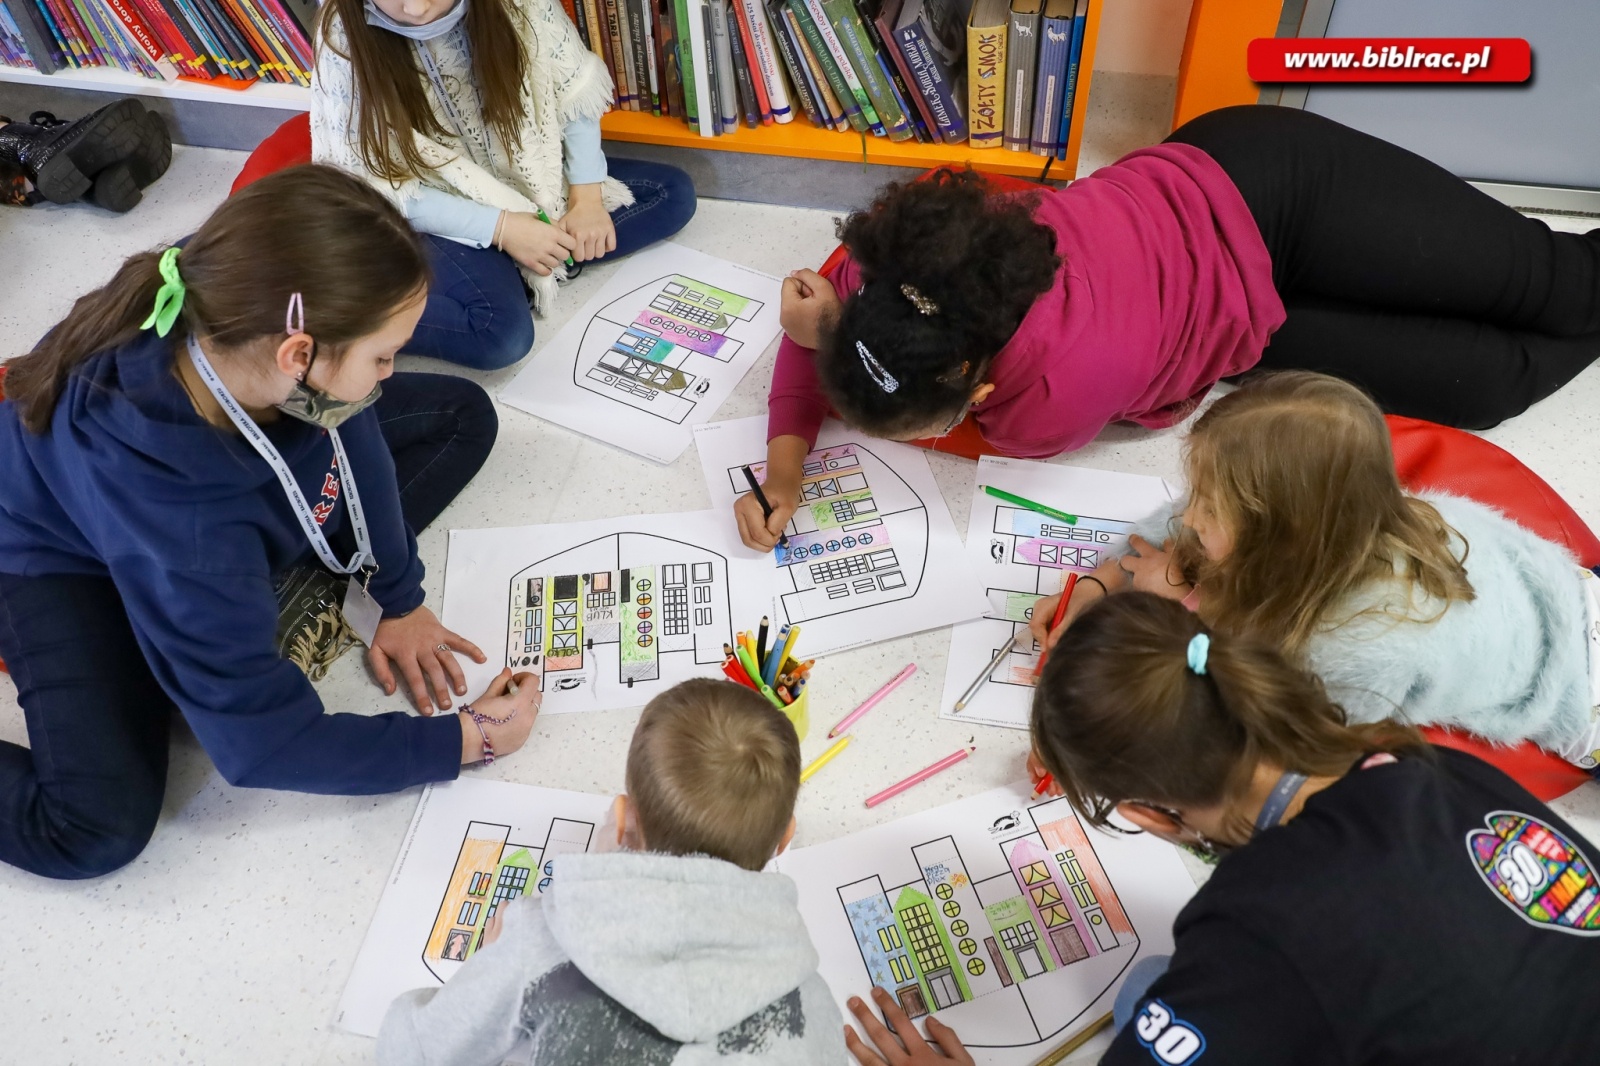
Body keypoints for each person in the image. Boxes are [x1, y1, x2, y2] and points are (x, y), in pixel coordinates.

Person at [0, 165, 538, 881]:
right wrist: (463, 740)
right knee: (95, 830)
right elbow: (263, 748)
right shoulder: (192, 538)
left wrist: (400, 597)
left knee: (461, 416)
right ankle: (218, 631)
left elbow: (356, 430)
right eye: (383, 355)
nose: (391, 370)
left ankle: (246, 619)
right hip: (49, 549)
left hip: (222, 478)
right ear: (299, 355)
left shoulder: (247, 290)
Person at [737, 104, 1600, 550]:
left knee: (1560, 285)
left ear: (982, 389)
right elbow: (831, 332)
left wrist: (829, 374)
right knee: (1493, 388)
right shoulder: (907, 251)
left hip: (1264, 185)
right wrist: (788, 461)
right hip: (1254, 317)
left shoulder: (1046, 405)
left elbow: (1160, 410)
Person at [846, 594, 1600, 1066]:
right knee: (1149, 989)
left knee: (1150, 1001)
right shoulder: (1422, 762)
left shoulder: (1258, 923)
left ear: (1144, 811)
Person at [1025, 372, 1600, 767]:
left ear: (1281, 535)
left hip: (1582, 698)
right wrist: (1100, 585)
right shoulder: (1341, 513)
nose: (1190, 513)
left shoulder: (1357, 649)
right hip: (1572, 591)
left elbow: (1268, 731)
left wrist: (1174, 613)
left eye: (1212, 506)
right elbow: (1191, 521)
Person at [377, 678, 846, 1065]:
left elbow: (408, 1051)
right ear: (785, 838)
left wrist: (492, 964)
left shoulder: (536, 943)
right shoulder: (814, 1004)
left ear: (621, 820)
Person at [311, 0, 698, 370]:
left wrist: (587, 199)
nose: (413, 9)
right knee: (501, 335)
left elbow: (573, 91)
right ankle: (347, 315)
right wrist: (503, 228)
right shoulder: (341, 33)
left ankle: (530, 259)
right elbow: (375, 184)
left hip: (530, 175)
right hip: (438, 205)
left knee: (672, 193)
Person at [0, 100, 172, 212]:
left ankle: (89, 186)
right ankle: (39, 152)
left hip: (18, 181)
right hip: (26, 164)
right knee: (46, 164)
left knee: (52, 173)